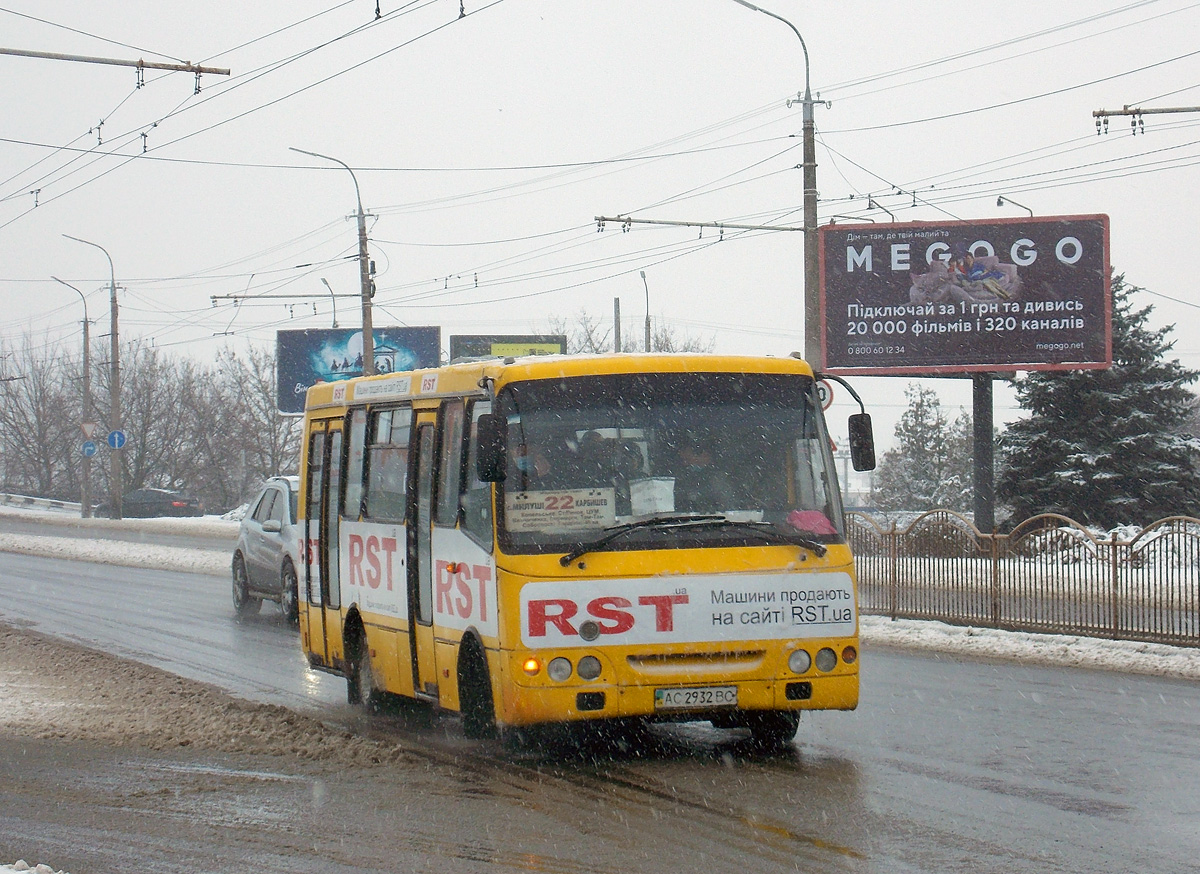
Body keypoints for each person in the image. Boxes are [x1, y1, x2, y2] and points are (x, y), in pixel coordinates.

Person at [672, 433, 738, 512]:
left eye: (686, 451)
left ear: (706, 455)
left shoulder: (718, 480)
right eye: (681, 451)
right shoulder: (672, 477)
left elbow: (730, 511)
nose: (681, 454)